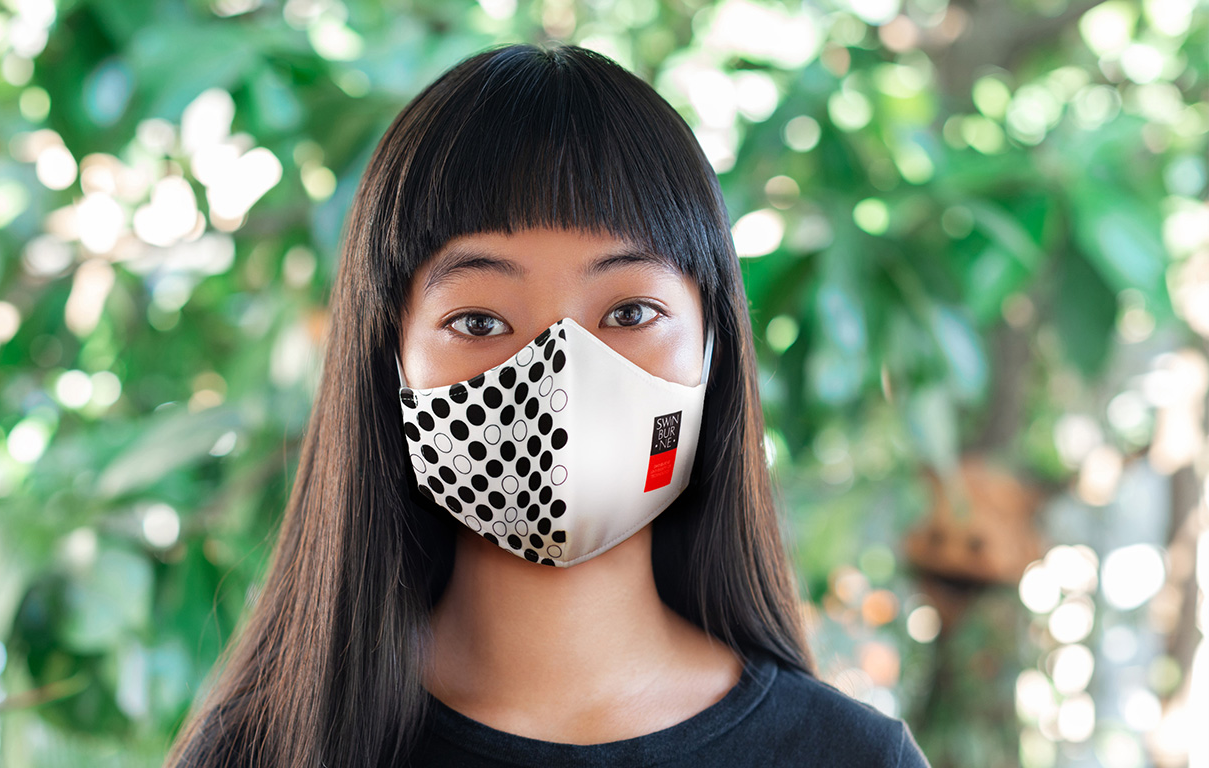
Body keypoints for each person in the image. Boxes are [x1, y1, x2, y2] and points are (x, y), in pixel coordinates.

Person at [164, 42, 930, 768]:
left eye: (629, 313)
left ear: (713, 351)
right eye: (478, 322)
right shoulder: (263, 753)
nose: (559, 376)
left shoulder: (852, 758)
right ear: (387, 363)